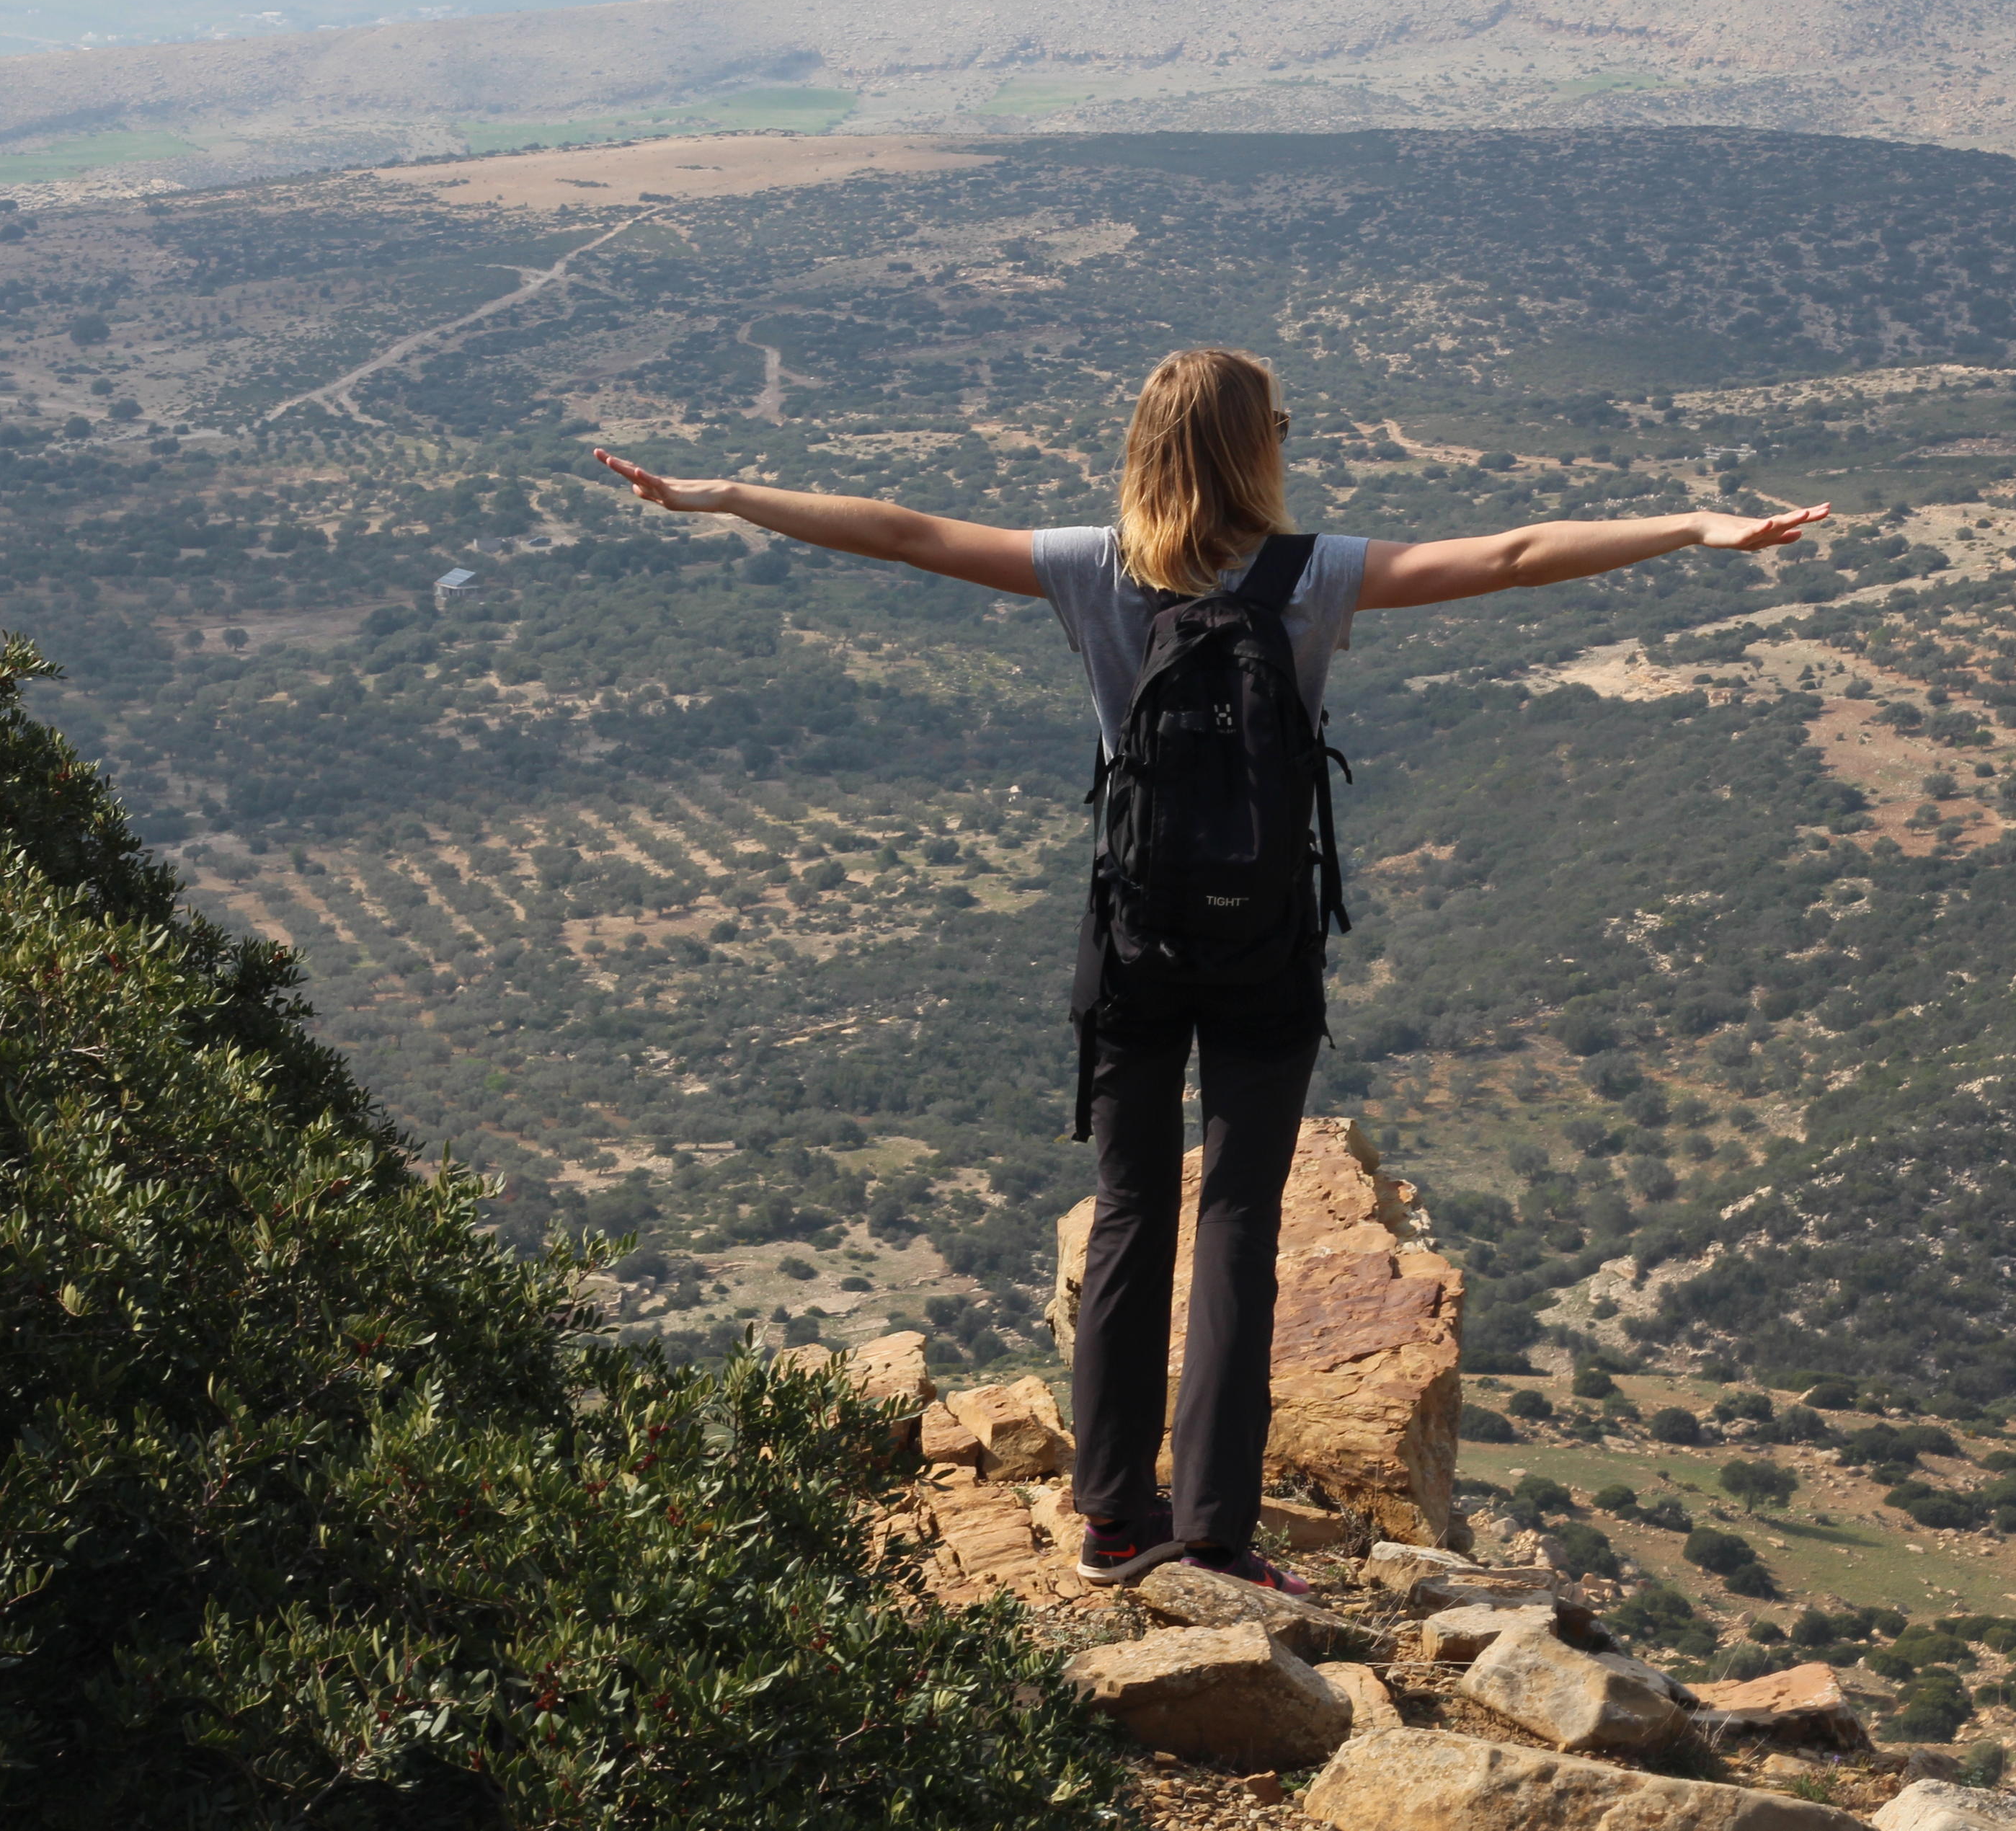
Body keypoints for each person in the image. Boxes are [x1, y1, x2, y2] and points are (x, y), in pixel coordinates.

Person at [596, 347, 1823, 1595]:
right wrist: (1690, 527)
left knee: (1132, 1208)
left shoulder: (1092, 567)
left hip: (1130, 935)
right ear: (1260, 447)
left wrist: (726, 493)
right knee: (1239, 1217)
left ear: (1143, 445)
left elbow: (903, 531)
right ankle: (1220, 1532)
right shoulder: (1312, 574)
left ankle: (1116, 1521)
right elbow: (1512, 553)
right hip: (1266, 938)